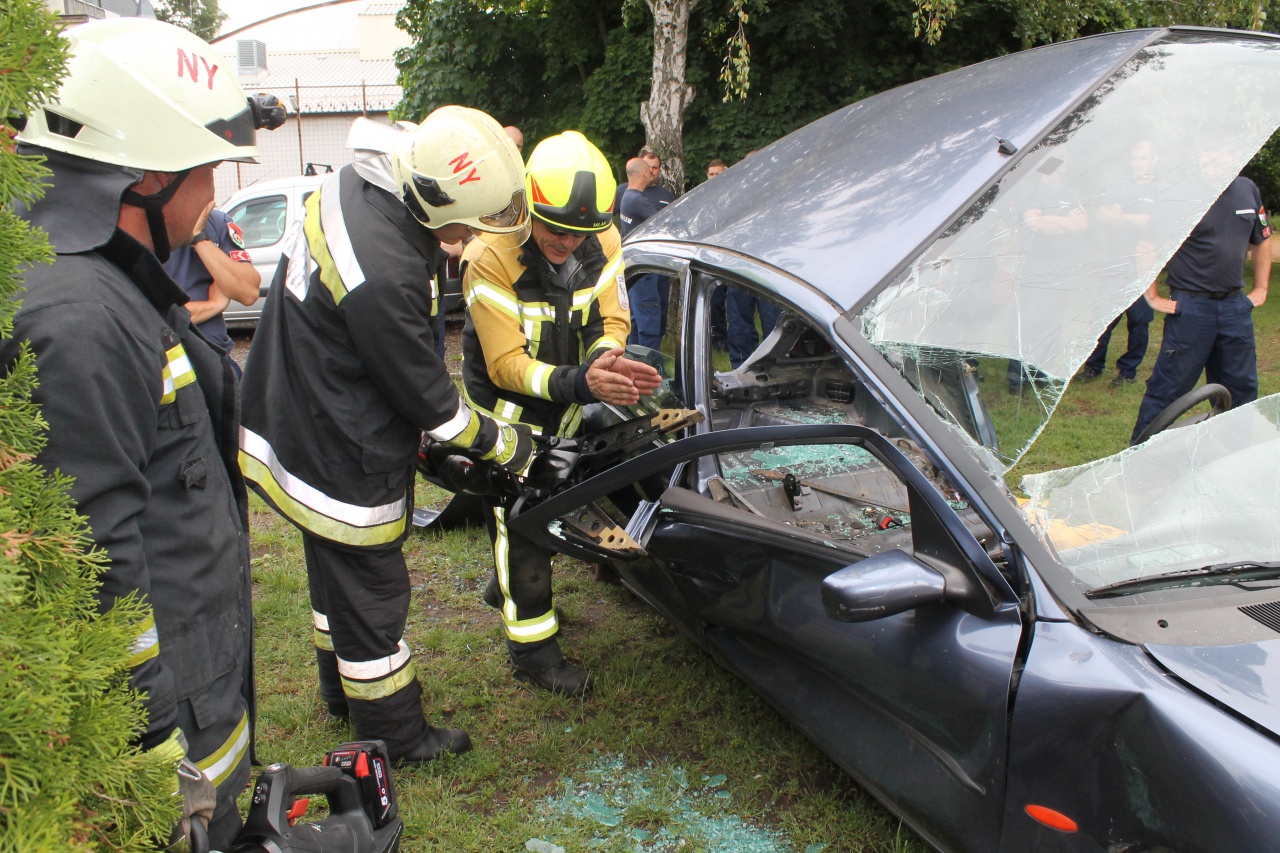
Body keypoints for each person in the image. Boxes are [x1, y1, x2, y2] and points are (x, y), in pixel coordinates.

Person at [6, 19, 269, 848]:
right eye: (208, 167)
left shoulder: (105, 279)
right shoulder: (79, 317)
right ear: (149, 175)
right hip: (167, 714)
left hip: (196, 669)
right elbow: (92, 558)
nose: (214, 190)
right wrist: (156, 753)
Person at [239, 106, 535, 764]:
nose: (467, 237)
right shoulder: (384, 268)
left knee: (334, 576)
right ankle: (397, 736)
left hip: (298, 405)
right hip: (338, 440)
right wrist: (514, 445)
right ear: (437, 203)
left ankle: (338, 690)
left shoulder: (358, 183)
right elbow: (439, 409)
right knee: (371, 588)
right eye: (466, 224)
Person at [461, 131, 661, 695]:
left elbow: (610, 322)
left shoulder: (606, 238)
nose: (566, 244)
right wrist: (584, 382)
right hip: (504, 415)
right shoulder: (488, 256)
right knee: (524, 516)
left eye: (580, 234)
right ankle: (533, 652)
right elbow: (504, 365)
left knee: (537, 506)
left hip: (567, 404)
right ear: (528, 205)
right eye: (555, 230)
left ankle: (503, 587)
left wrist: (607, 362)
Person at [1131, 151, 1271, 444]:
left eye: (1221, 158)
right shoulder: (1179, 194)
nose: (1213, 165)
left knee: (1241, 389)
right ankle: (1137, 459)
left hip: (1235, 307)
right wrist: (1152, 295)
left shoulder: (1247, 189)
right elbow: (1147, 244)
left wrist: (1261, 290)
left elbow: (1262, 240)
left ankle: (1233, 455)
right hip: (1192, 308)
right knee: (1169, 389)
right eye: (1207, 158)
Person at [1079, 141, 1161, 387]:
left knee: (1138, 322)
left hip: (1142, 267)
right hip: (1115, 263)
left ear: (1154, 160)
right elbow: (1101, 214)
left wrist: (1120, 215)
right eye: (1135, 159)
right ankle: (1093, 367)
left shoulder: (1161, 189)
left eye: (1143, 158)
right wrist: (1125, 216)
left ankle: (1127, 372)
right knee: (1102, 318)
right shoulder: (1122, 187)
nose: (1138, 163)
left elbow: (1149, 222)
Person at [162, 203, 261, 373]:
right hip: (171, 367)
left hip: (219, 360)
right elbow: (154, 316)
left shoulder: (217, 222)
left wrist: (198, 236)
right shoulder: (145, 227)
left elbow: (249, 293)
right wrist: (214, 305)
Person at [619, 157, 667, 348]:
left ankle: (634, 361)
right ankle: (652, 368)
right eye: (650, 170)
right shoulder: (638, 200)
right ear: (645, 173)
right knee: (649, 323)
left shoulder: (626, 196)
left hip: (634, 268)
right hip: (645, 272)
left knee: (637, 322)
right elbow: (663, 225)